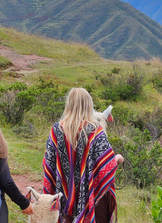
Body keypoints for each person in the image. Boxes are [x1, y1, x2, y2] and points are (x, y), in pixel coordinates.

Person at [42, 88, 120, 223]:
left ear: (69, 104)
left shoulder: (56, 130)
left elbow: (49, 163)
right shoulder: (96, 131)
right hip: (91, 200)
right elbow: (108, 165)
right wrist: (118, 158)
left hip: (63, 199)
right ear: (88, 105)